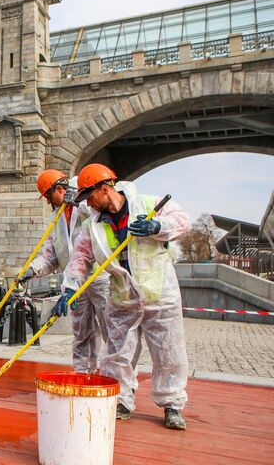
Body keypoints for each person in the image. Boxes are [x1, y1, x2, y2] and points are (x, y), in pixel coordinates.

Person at [59, 163, 190, 430]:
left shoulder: (148, 203)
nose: (88, 204)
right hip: (122, 295)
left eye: (89, 197)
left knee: (168, 351)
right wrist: (70, 288)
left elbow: (182, 221)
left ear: (104, 189)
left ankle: (172, 405)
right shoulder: (92, 227)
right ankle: (120, 400)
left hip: (158, 292)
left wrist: (157, 226)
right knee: (117, 352)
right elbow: (79, 259)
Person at [18, 169, 109, 374]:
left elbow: (103, 213)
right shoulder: (55, 219)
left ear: (58, 189)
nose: (49, 203)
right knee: (81, 332)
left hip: (100, 277)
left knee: (111, 329)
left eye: (49, 197)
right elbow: (51, 256)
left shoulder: (87, 200)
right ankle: (83, 373)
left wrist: (78, 201)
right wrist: (31, 270)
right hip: (73, 283)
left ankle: (117, 380)